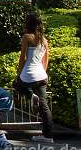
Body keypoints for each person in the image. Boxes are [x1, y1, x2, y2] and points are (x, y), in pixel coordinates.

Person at [13, 12, 54, 143]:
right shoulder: (44, 40)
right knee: (44, 106)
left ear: (28, 24)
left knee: (17, 85)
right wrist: (43, 73)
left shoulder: (27, 37)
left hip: (28, 74)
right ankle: (48, 136)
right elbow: (46, 60)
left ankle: (31, 96)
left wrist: (18, 73)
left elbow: (23, 58)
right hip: (42, 75)